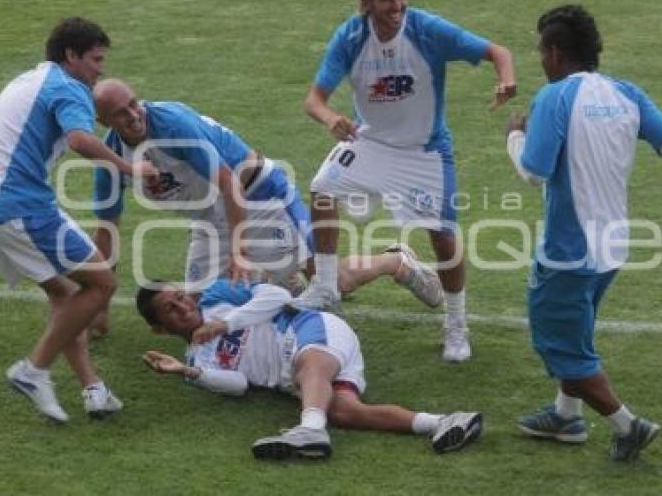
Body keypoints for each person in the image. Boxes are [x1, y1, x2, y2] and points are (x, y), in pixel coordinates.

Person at [89, 78, 444, 334]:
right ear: (104, 123)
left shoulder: (171, 125)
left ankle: (396, 261)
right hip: (212, 217)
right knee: (198, 309)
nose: (133, 115)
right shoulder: (111, 159)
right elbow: (107, 227)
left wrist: (240, 253)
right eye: (120, 114)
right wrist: (100, 300)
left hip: (259, 195)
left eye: (134, 103)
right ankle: (282, 281)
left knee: (333, 283)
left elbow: (229, 183)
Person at [504, 4, 662, 461]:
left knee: (559, 344)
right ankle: (565, 415)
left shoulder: (553, 98)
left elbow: (534, 172)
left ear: (554, 53)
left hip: (568, 253)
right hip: (613, 248)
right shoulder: (626, 93)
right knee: (577, 332)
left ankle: (627, 424)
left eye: (540, 51)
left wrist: (513, 136)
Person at [298, 0, 518, 362]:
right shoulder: (350, 37)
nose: (397, 5)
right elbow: (314, 100)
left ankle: (456, 326)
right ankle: (326, 286)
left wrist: (506, 78)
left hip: (424, 152)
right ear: (365, 3)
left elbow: (497, 52)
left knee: (442, 236)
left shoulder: (427, 30)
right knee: (322, 189)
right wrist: (332, 119)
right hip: (371, 143)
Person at [0, 17, 158, 422]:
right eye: (95, 59)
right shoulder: (69, 87)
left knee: (67, 293)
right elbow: (79, 140)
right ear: (71, 56)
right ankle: (33, 369)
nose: (100, 70)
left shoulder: (30, 79)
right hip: (21, 207)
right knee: (103, 282)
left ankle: (94, 390)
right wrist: (130, 168)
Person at [138, 278, 483, 460]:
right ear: (160, 329)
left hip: (312, 330)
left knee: (307, 368)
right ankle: (445, 421)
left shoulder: (217, 295)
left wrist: (225, 325)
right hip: (306, 372)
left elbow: (274, 295)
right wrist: (188, 372)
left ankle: (310, 431)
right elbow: (239, 384)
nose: (184, 305)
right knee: (346, 413)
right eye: (171, 308)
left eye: (180, 296)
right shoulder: (197, 360)